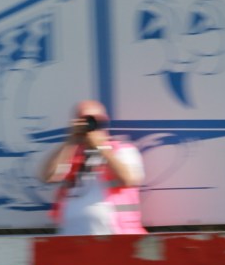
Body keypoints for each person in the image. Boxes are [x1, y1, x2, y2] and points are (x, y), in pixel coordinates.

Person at [39, 100, 146, 235]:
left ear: (104, 121)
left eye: (94, 120)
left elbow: (129, 179)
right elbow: (47, 176)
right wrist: (70, 141)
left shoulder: (122, 150)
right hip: (73, 241)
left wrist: (101, 147)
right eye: (83, 120)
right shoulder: (70, 155)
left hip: (117, 238)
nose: (89, 125)